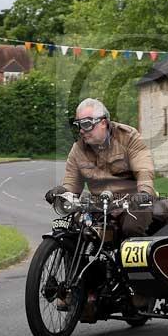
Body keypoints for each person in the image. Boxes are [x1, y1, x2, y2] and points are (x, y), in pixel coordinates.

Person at [45, 98, 155, 237]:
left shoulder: (128, 137)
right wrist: (62, 192)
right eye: (78, 125)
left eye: (86, 124)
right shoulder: (78, 148)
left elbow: (144, 169)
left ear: (103, 122)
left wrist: (144, 193)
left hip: (132, 204)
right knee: (75, 230)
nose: (82, 131)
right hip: (99, 206)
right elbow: (72, 183)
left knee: (131, 229)